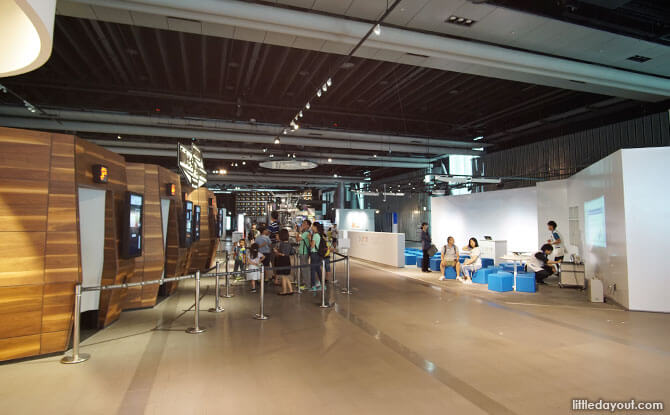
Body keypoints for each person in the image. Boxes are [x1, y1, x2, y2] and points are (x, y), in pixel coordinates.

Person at [274, 229, 295, 295]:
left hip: (282, 260)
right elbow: (291, 252)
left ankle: (284, 291)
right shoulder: (289, 243)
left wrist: (276, 251)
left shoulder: (282, 244)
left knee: (283, 276)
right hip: (287, 260)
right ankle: (291, 290)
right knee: (286, 276)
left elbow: (282, 254)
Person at [309, 222, 325, 291]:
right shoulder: (320, 234)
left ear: (315, 227)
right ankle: (323, 285)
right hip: (318, 254)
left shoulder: (315, 235)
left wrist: (309, 239)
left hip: (314, 254)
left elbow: (312, 245)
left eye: (312, 226)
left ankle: (313, 286)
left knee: (313, 270)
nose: (311, 227)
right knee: (318, 270)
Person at [297, 219, 311, 291]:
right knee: (303, 269)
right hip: (303, 252)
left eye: (305, 223)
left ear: (308, 226)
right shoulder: (305, 232)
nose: (303, 224)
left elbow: (298, 239)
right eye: (303, 223)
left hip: (304, 252)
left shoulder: (306, 233)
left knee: (305, 269)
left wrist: (299, 231)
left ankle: (307, 285)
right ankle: (303, 283)